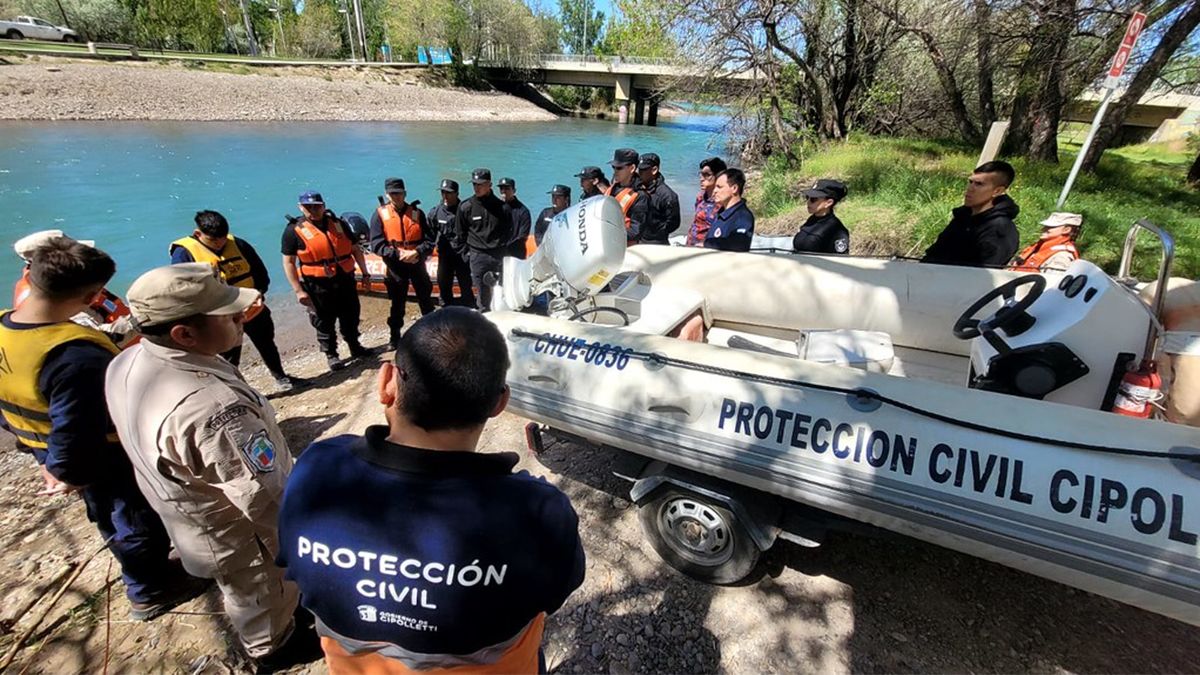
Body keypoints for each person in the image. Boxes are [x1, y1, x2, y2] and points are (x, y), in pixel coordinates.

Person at [278, 307, 586, 673]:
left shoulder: (317, 471)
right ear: (499, 403)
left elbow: (290, 562)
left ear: (387, 383)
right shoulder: (537, 512)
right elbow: (555, 593)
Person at [106, 263, 321, 672]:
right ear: (183, 334)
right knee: (262, 598)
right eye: (229, 315)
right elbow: (266, 498)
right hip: (242, 536)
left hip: (183, 513)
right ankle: (273, 649)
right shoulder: (215, 409)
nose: (241, 316)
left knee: (244, 590)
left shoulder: (128, 361)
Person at [0, 238, 206, 621]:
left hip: (41, 443)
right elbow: (76, 427)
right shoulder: (74, 356)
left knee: (115, 517)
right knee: (134, 519)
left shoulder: (6, 327)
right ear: (92, 295)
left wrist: (41, 456)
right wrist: (65, 471)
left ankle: (149, 573)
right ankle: (150, 590)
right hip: (101, 455)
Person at [170, 210, 300, 391]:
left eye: (222, 238)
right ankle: (236, 389)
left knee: (266, 343)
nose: (219, 243)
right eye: (213, 240)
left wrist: (259, 294)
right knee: (228, 355)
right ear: (198, 234)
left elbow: (260, 273)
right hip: (220, 316)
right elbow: (184, 290)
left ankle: (281, 377)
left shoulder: (238, 244)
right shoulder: (183, 255)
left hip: (251, 308)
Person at [281, 191, 374, 372]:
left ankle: (354, 345)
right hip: (317, 283)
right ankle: (331, 354)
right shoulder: (293, 231)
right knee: (324, 320)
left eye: (317, 206)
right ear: (301, 207)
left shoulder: (338, 224)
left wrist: (365, 273)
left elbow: (355, 249)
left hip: (344, 277)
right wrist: (298, 290)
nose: (313, 210)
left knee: (351, 314)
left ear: (323, 206)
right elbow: (288, 262)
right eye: (308, 207)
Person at [369, 177, 437, 350]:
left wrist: (417, 252)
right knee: (397, 303)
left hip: (416, 262)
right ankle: (394, 337)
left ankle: (432, 333)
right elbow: (377, 245)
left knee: (425, 300)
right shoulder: (379, 215)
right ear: (387, 194)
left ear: (405, 193)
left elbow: (429, 241)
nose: (396, 197)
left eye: (399, 193)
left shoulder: (417, 213)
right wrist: (398, 254)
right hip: (395, 266)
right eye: (393, 194)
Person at [921, 161, 1020, 267]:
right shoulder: (963, 217)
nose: (970, 189)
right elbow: (933, 254)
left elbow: (982, 274)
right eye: (970, 182)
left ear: (997, 191)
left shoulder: (1000, 230)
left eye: (979, 184)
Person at [454, 169, 510, 312]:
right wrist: (468, 255)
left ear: (489, 185)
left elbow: (509, 231)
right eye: (474, 184)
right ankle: (484, 325)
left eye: (480, 184)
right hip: (478, 256)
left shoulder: (502, 207)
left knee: (502, 293)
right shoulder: (466, 207)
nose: (476, 187)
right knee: (483, 297)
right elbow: (460, 235)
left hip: (498, 255)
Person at [427, 178, 476, 308]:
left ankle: (470, 313)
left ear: (456, 193)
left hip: (462, 256)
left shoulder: (465, 210)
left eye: (449, 193)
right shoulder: (435, 213)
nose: (445, 196)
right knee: (444, 287)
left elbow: (474, 233)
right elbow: (429, 234)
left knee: (466, 286)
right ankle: (446, 314)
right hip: (445, 257)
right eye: (443, 192)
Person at [1009, 212, 1082, 273]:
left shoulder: (1062, 256)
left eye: (1051, 227)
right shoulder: (1039, 246)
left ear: (1066, 230)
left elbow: (1052, 284)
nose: (1043, 229)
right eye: (1045, 226)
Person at [793, 179, 850, 255]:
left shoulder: (836, 230)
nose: (808, 202)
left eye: (813, 199)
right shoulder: (811, 221)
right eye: (807, 197)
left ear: (828, 203)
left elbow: (839, 261)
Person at [704, 168, 755, 252]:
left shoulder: (743, 217)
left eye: (719, 187)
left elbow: (739, 244)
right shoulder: (721, 213)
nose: (714, 191)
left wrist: (706, 243)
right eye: (715, 187)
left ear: (734, 188)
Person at [636, 152, 681, 245]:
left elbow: (674, 223)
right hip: (638, 238)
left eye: (643, 170)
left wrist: (656, 232)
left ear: (654, 170)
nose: (639, 173)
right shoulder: (638, 188)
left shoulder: (667, 195)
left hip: (656, 242)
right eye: (639, 169)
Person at [606, 148, 648, 244]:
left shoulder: (640, 196)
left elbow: (636, 231)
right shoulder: (613, 187)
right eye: (613, 167)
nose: (615, 171)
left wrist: (609, 233)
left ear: (632, 168)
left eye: (619, 168)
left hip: (623, 248)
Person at [686, 157, 726, 246]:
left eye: (707, 175)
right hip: (691, 244)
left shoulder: (722, 202)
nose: (701, 179)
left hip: (706, 248)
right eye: (701, 174)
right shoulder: (701, 196)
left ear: (719, 176)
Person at [499, 177, 533, 260]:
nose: (504, 191)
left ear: (514, 191)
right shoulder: (495, 208)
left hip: (516, 254)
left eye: (507, 188)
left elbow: (523, 235)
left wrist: (506, 246)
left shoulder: (523, 211)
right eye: (501, 188)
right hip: (497, 252)